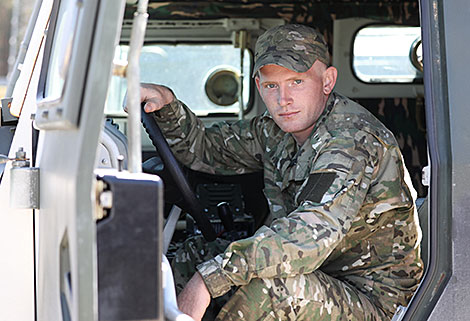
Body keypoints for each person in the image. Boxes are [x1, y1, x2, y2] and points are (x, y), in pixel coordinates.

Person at [138, 24, 423, 320]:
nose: (282, 99)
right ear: (259, 86)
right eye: (272, 86)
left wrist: (210, 280)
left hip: (377, 301)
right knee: (197, 253)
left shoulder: (351, 141)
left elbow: (310, 236)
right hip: (322, 274)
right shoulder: (275, 130)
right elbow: (206, 150)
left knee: (270, 288)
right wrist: (167, 105)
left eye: (296, 82)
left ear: (327, 81)